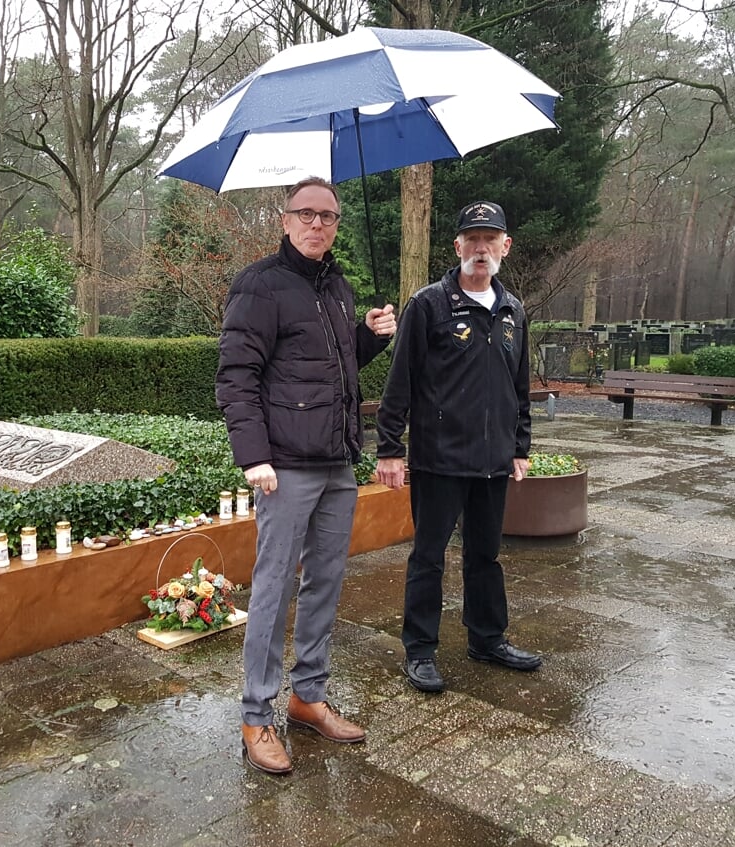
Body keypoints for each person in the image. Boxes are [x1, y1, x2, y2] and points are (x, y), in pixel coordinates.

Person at [216, 176, 396, 774]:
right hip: (285, 467)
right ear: (285, 219)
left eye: (329, 216)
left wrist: (366, 337)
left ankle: (307, 696)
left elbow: (335, 367)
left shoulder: (338, 288)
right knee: (274, 587)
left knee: (326, 581)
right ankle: (256, 714)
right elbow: (236, 377)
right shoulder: (261, 285)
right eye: (306, 214)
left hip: (337, 462)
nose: (318, 224)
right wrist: (253, 456)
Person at [374, 200, 543, 694]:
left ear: (505, 248)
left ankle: (487, 638)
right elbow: (399, 384)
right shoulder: (429, 306)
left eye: (491, 240)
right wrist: (389, 449)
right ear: (457, 247)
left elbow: (519, 387)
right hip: (440, 459)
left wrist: (520, 447)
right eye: (472, 239)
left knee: (485, 556)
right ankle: (420, 649)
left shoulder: (513, 311)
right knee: (428, 557)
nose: (481, 248)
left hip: (493, 461)